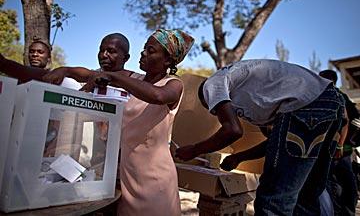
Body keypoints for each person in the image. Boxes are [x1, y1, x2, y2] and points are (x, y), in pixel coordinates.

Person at [175, 59, 346, 215]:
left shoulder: (212, 83)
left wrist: (194, 150)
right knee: (305, 196)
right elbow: (274, 143)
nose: (217, 112)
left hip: (306, 105)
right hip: (330, 102)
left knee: (273, 201)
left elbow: (233, 130)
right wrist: (238, 157)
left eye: (214, 108)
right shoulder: (259, 103)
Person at [80, 29, 194, 216]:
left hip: (155, 181)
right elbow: (88, 73)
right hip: (129, 177)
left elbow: (158, 96)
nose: (143, 53)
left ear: (167, 60)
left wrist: (114, 77)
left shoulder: (173, 84)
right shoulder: (135, 80)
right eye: (144, 49)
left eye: (150, 50)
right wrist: (64, 70)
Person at [319, 69, 359, 216]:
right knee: (347, 183)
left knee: (336, 184)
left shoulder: (331, 95)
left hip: (337, 150)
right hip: (345, 149)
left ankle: (342, 212)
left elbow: (346, 122)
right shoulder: (343, 96)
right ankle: (348, 211)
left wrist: (340, 144)